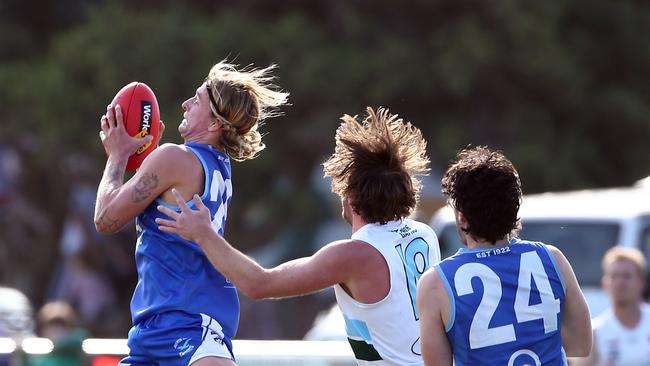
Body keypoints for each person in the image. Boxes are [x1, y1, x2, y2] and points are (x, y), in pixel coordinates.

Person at [156, 107, 440, 365]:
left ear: (350, 196)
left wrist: (204, 234)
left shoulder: (354, 255)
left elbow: (259, 284)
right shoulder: (424, 234)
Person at [93, 60, 288, 365]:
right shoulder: (215, 165)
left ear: (214, 124)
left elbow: (106, 218)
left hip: (186, 328)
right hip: (156, 331)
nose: (185, 104)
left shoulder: (174, 157)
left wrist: (118, 156)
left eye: (196, 100)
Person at [415, 146, 592, 366]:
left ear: (462, 218)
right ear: (513, 210)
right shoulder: (552, 258)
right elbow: (581, 345)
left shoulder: (435, 283)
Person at [576, 246, 650, 365]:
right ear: (605, 283)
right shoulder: (595, 332)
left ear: (642, 282)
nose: (620, 283)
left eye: (627, 276)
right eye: (614, 276)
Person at [25, 301, 88, 366]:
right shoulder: (35, 352)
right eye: (51, 326)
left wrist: (58, 343)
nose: (56, 330)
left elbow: (81, 338)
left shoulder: (73, 349)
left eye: (61, 326)